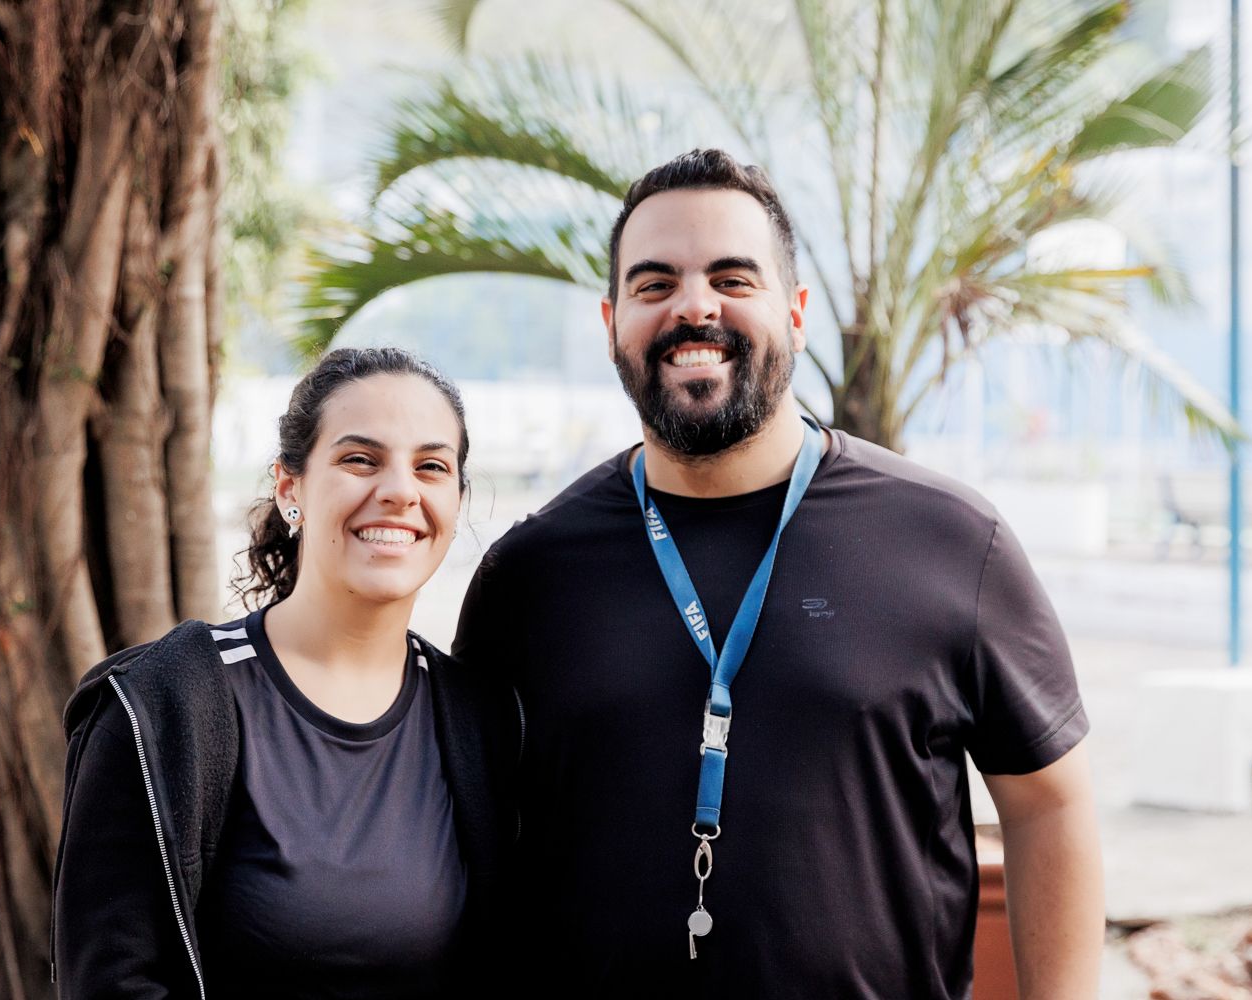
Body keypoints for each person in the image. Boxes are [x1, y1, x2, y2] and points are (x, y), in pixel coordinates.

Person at [453, 149, 1103, 998]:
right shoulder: (527, 577)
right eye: (655, 285)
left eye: (732, 277)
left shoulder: (950, 541)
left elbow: (1049, 804)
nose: (694, 306)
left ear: (795, 312)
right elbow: (466, 839)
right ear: (612, 323)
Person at [53, 347, 520, 999]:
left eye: (431, 467)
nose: (398, 491)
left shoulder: (480, 719)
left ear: (457, 499)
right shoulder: (163, 706)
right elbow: (112, 980)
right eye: (360, 459)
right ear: (289, 488)